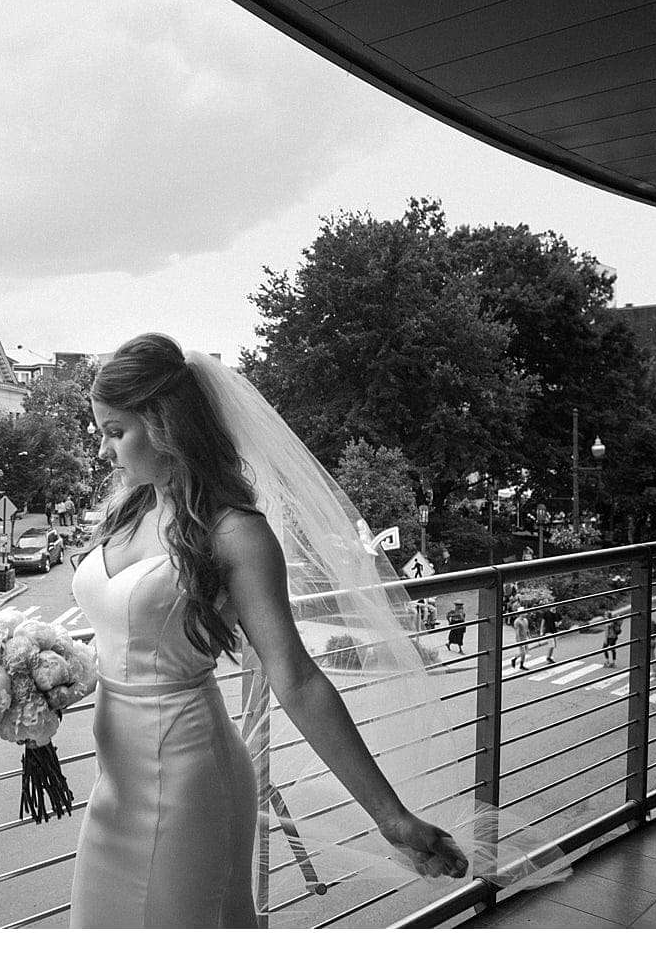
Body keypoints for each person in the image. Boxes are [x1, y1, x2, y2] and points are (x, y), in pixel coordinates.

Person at [66, 334, 500, 929]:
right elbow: (122, 632)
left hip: (186, 777)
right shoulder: (130, 510)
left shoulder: (234, 532)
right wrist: (41, 683)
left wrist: (391, 816)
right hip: (114, 780)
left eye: (116, 432)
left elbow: (296, 678)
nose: (104, 449)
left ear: (165, 425)